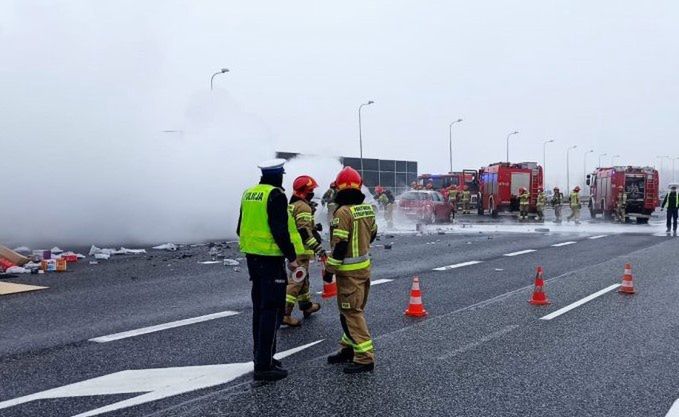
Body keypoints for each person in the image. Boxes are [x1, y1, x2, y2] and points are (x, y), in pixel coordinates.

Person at [237, 159, 301, 381]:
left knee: (260, 309)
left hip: (252, 260)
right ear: (279, 175)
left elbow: (240, 227)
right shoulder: (276, 195)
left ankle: (263, 357)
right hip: (271, 262)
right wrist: (292, 257)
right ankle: (264, 366)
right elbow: (280, 231)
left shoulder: (249, 193)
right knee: (271, 311)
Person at [324, 167, 378, 374]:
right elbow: (373, 234)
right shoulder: (366, 209)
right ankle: (349, 348)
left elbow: (339, 245)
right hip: (363, 269)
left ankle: (364, 358)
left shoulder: (342, 212)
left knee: (351, 313)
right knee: (350, 311)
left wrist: (329, 269)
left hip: (348, 273)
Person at [283, 175, 325, 327]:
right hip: (301, 249)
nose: (313, 193)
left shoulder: (293, 205)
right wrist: (318, 248)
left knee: (303, 279)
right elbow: (304, 231)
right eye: (311, 190)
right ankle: (285, 314)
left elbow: (300, 226)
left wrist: (314, 227)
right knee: (296, 280)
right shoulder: (303, 207)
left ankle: (306, 306)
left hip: (294, 249)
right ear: (304, 192)